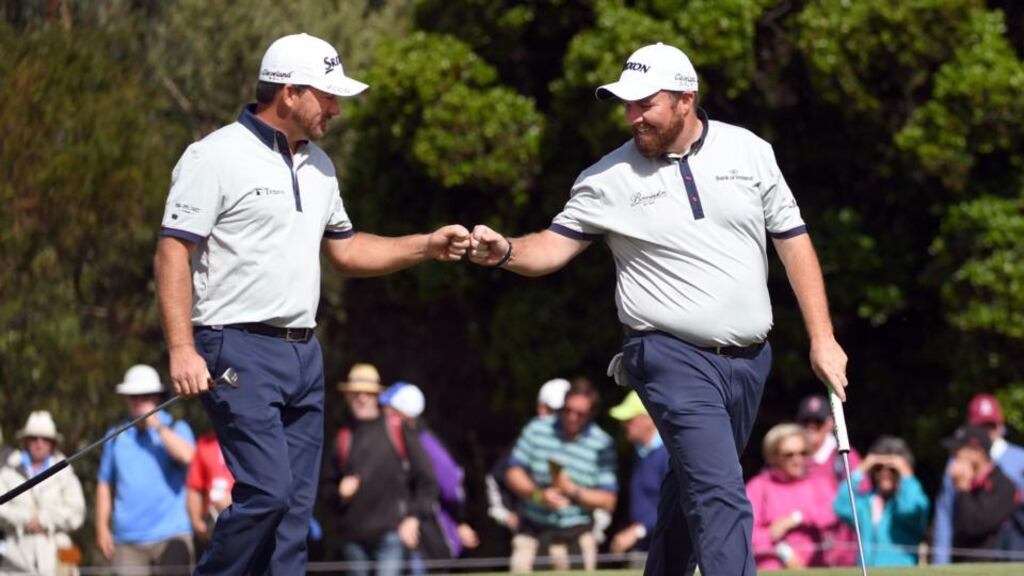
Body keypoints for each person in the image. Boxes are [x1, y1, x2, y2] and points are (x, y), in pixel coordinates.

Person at [467, 41, 849, 575]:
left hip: (749, 360)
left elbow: (793, 241)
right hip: (668, 356)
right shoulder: (606, 178)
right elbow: (551, 247)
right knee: (720, 494)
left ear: (685, 99)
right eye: (627, 104)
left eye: (645, 103)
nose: (633, 116)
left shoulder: (749, 151)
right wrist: (506, 250)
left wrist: (822, 337)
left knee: (690, 491)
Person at [152, 32, 469, 575]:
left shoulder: (320, 165)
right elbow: (172, 251)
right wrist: (182, 348)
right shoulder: (215, 155)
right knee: (268, 492)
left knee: (295, 514)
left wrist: (427, 245)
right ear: (290, 92)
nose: (336, 109)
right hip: (236, 348)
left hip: (304, 354)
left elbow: (346, 251)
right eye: (327, 96)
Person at [320, 364, 438, 576]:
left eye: (368, 393)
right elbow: (325, 489)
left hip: (392, 535)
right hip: (353, 540)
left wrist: (413, 518)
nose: (361, 398)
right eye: (355, 393)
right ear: (347, 396)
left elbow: (427, 481)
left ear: (377, 396)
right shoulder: (343, 438)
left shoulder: (396, 429)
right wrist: (339, 493)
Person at [504, 377, 617, 572]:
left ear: (591, 414)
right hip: (533, 533)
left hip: (577, 536)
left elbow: (609, 501)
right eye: (568, 410)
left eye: (580, 414)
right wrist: (539, 495)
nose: (572, 417)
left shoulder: (602, 443)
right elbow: (512, 473)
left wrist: (572, 490)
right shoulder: (537, 428)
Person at [95, 365, 196, 574]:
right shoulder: (116, 435)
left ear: (157, 398)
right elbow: (105, 484)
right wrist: (102, 528)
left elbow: (188, 457)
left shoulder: (176, 427)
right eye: (133, 397)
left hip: (172, 534)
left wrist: (156, 425)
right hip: (127, 541)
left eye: (145, 396)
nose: (138, 402)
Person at [380, 382, 480, 569]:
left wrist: (459, 520)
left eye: (389, 410)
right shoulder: (396, 441)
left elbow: (451, 486)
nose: (384, 415)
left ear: (403, 414)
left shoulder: (425, 443)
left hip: (427, 533)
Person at [931, 393, 1024, 563]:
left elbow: (976, 525)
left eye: (991, 425)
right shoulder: (955, 465)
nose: (987, 432)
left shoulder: (1017, 462)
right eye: (980, 426)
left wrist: (964, 489)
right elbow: (945, 515)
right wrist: (940, 563)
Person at [0, 411, 85, 575]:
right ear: (26, 441)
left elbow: (76, 512)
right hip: (15, 559)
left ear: (53, 443)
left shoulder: (65, 472)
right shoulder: (7, 471)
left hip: (58, 557)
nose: (39, 443)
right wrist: (25, 519)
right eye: (34, 438)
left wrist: (43, 519)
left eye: (45, 439)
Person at [746, 423, 838, 570]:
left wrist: (796, 518)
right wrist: (783, 551)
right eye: (789, 455)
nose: (797, 459)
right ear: (774, 456)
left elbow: (833, 512)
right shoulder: (758, 487)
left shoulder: (819, 483)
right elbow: (747, 533)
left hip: (817, 568)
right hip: (773, 568)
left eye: (803, 453)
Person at [486, 378, 571, 534]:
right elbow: (497, 477)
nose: (560, 417)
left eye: (564, 411)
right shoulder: (527, 440)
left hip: (572, 532)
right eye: (554, 411)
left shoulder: (587, 443)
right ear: (541, 409)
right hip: (530, 531)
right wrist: (506, 516)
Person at [833, 436, 929, 567]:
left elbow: (911, 509)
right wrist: (862, 469)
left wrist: (907, 475)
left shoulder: (909, 498)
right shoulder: (867, 503)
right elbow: (841, 506)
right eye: (878, 468)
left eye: (892, 469)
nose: (885, 473)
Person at [796, 393, 862, 565]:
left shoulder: (846, 457)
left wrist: (802, 517)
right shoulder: (791, 458)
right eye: (805, 421)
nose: (810, 426)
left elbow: (859, 502)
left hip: (843, 555)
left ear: (830, 424)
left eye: (817, 421)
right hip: (802, 557)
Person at [943, 424, 1019, 562]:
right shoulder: (968, 484)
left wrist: (964, 490)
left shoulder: (1003, 486)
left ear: (977, 452)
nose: (954, 457)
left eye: (958, 451)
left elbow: (974, 527)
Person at [607, 391, 669, 559]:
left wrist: (638, 530)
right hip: (644, 547)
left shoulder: (668, 455)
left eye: (630, 420)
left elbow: (675, 507)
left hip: (666, 549)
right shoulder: (639, 453)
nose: (623, 424)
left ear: (650, 418)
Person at [185, 432, 234, 548]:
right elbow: (194, 486)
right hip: (214, 527)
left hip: (246, 523)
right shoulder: (205, 443)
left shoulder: (251, 441)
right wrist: (197, 522)